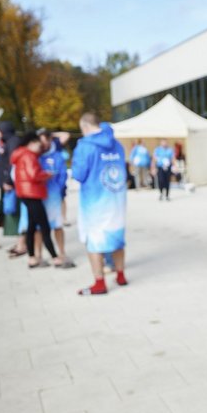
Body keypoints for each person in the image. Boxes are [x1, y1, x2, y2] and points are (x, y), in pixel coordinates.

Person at [72, 112, 128, 295]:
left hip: (94, 202)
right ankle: (120, 275)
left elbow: (79, 175)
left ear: (86, 127)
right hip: (117, 199)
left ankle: (99, 283)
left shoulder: (84, 146)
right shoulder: (117, 144)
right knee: (117, 237)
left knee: (94, 242)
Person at [18, 129, 75, 268]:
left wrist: (59, 189)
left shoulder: (57, 156)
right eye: (40, 141)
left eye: (45, 141)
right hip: (36, 197)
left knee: (57, 226)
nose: (42, 145)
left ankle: (61, 253)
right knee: (37, 227)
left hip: (53, 196)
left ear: (50, 140)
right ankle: (38, 255)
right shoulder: (32, 155)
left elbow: (62, 175)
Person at [0, 121, 26, 256]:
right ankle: (20, 242)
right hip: (10, 185)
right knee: (13, 214)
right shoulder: (8, 142)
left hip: (14, 186)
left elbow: (13, 163)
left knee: (17, 214)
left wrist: (8, 181)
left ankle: (22, 244)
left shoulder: (13, 142)